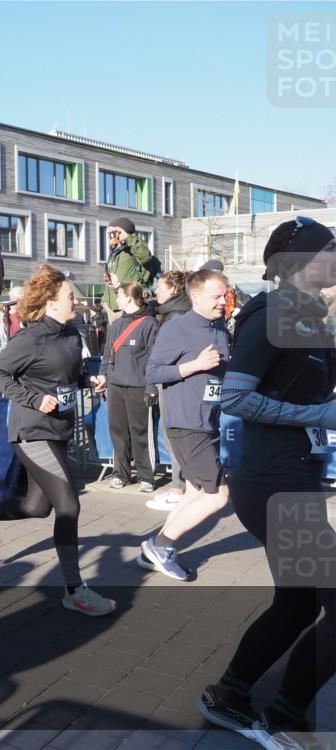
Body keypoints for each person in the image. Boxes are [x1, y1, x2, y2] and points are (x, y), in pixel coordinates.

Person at [199, 218, 336, 748]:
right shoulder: (270, 313)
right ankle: (284, 717)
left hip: (293, 477)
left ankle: (230, 694)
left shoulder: (309, 318)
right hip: (270, 482)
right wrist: (316, 417)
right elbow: (234, 398)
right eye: (330, 248)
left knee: (298, 603)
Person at [0, 265, 115, 616]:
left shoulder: (72, 332)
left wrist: (90, 378)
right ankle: (75, 590)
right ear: (51, 302)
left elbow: (73, 370)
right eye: (70, 297)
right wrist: (32, 397)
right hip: (31, 431)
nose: (76, 301)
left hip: (59, 430)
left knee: (36, 507)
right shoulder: (30, 338)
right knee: (69, 505)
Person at [140, 269, 231, 581]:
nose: (223, 301)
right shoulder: (178, 327)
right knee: (218, 495)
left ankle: (151, 550)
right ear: (195, 297)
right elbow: (152, 372)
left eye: (225, 294)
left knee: (195, 493)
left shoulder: (219, 327)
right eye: (216, 296)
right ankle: (161, 546)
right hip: (187, 422)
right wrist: (194, 365)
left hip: (209, 421)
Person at [95, 283, 159, 492]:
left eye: (119, 296)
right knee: (118, 432)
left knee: (140, 432)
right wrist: (103, 376)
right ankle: (120, 473)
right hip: (116, 386)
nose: (116, 300)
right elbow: (107, 356)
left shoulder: (149, 324)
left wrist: (151, 386)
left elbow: (153, 358)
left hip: (138, 386)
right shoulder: (115, 325)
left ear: (130, 299)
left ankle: (145, 476)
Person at [146, 271, 192, 511]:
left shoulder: (176, 317)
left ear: (174, 289)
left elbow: (168, 356)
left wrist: (155, 379)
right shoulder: (174, 313)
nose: (156, 291)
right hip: (175, 381)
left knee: (175, 436)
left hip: (175, 383)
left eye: (161, 287)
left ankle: (179, 489)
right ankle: (181, 486)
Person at [101, 218, 153, 318]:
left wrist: (128, 238)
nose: (109, 236)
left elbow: (145, 256)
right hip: (113, 309)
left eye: (113, 233)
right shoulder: (116, 253)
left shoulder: (133, 250)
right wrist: (104, 301)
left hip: (128, 307)